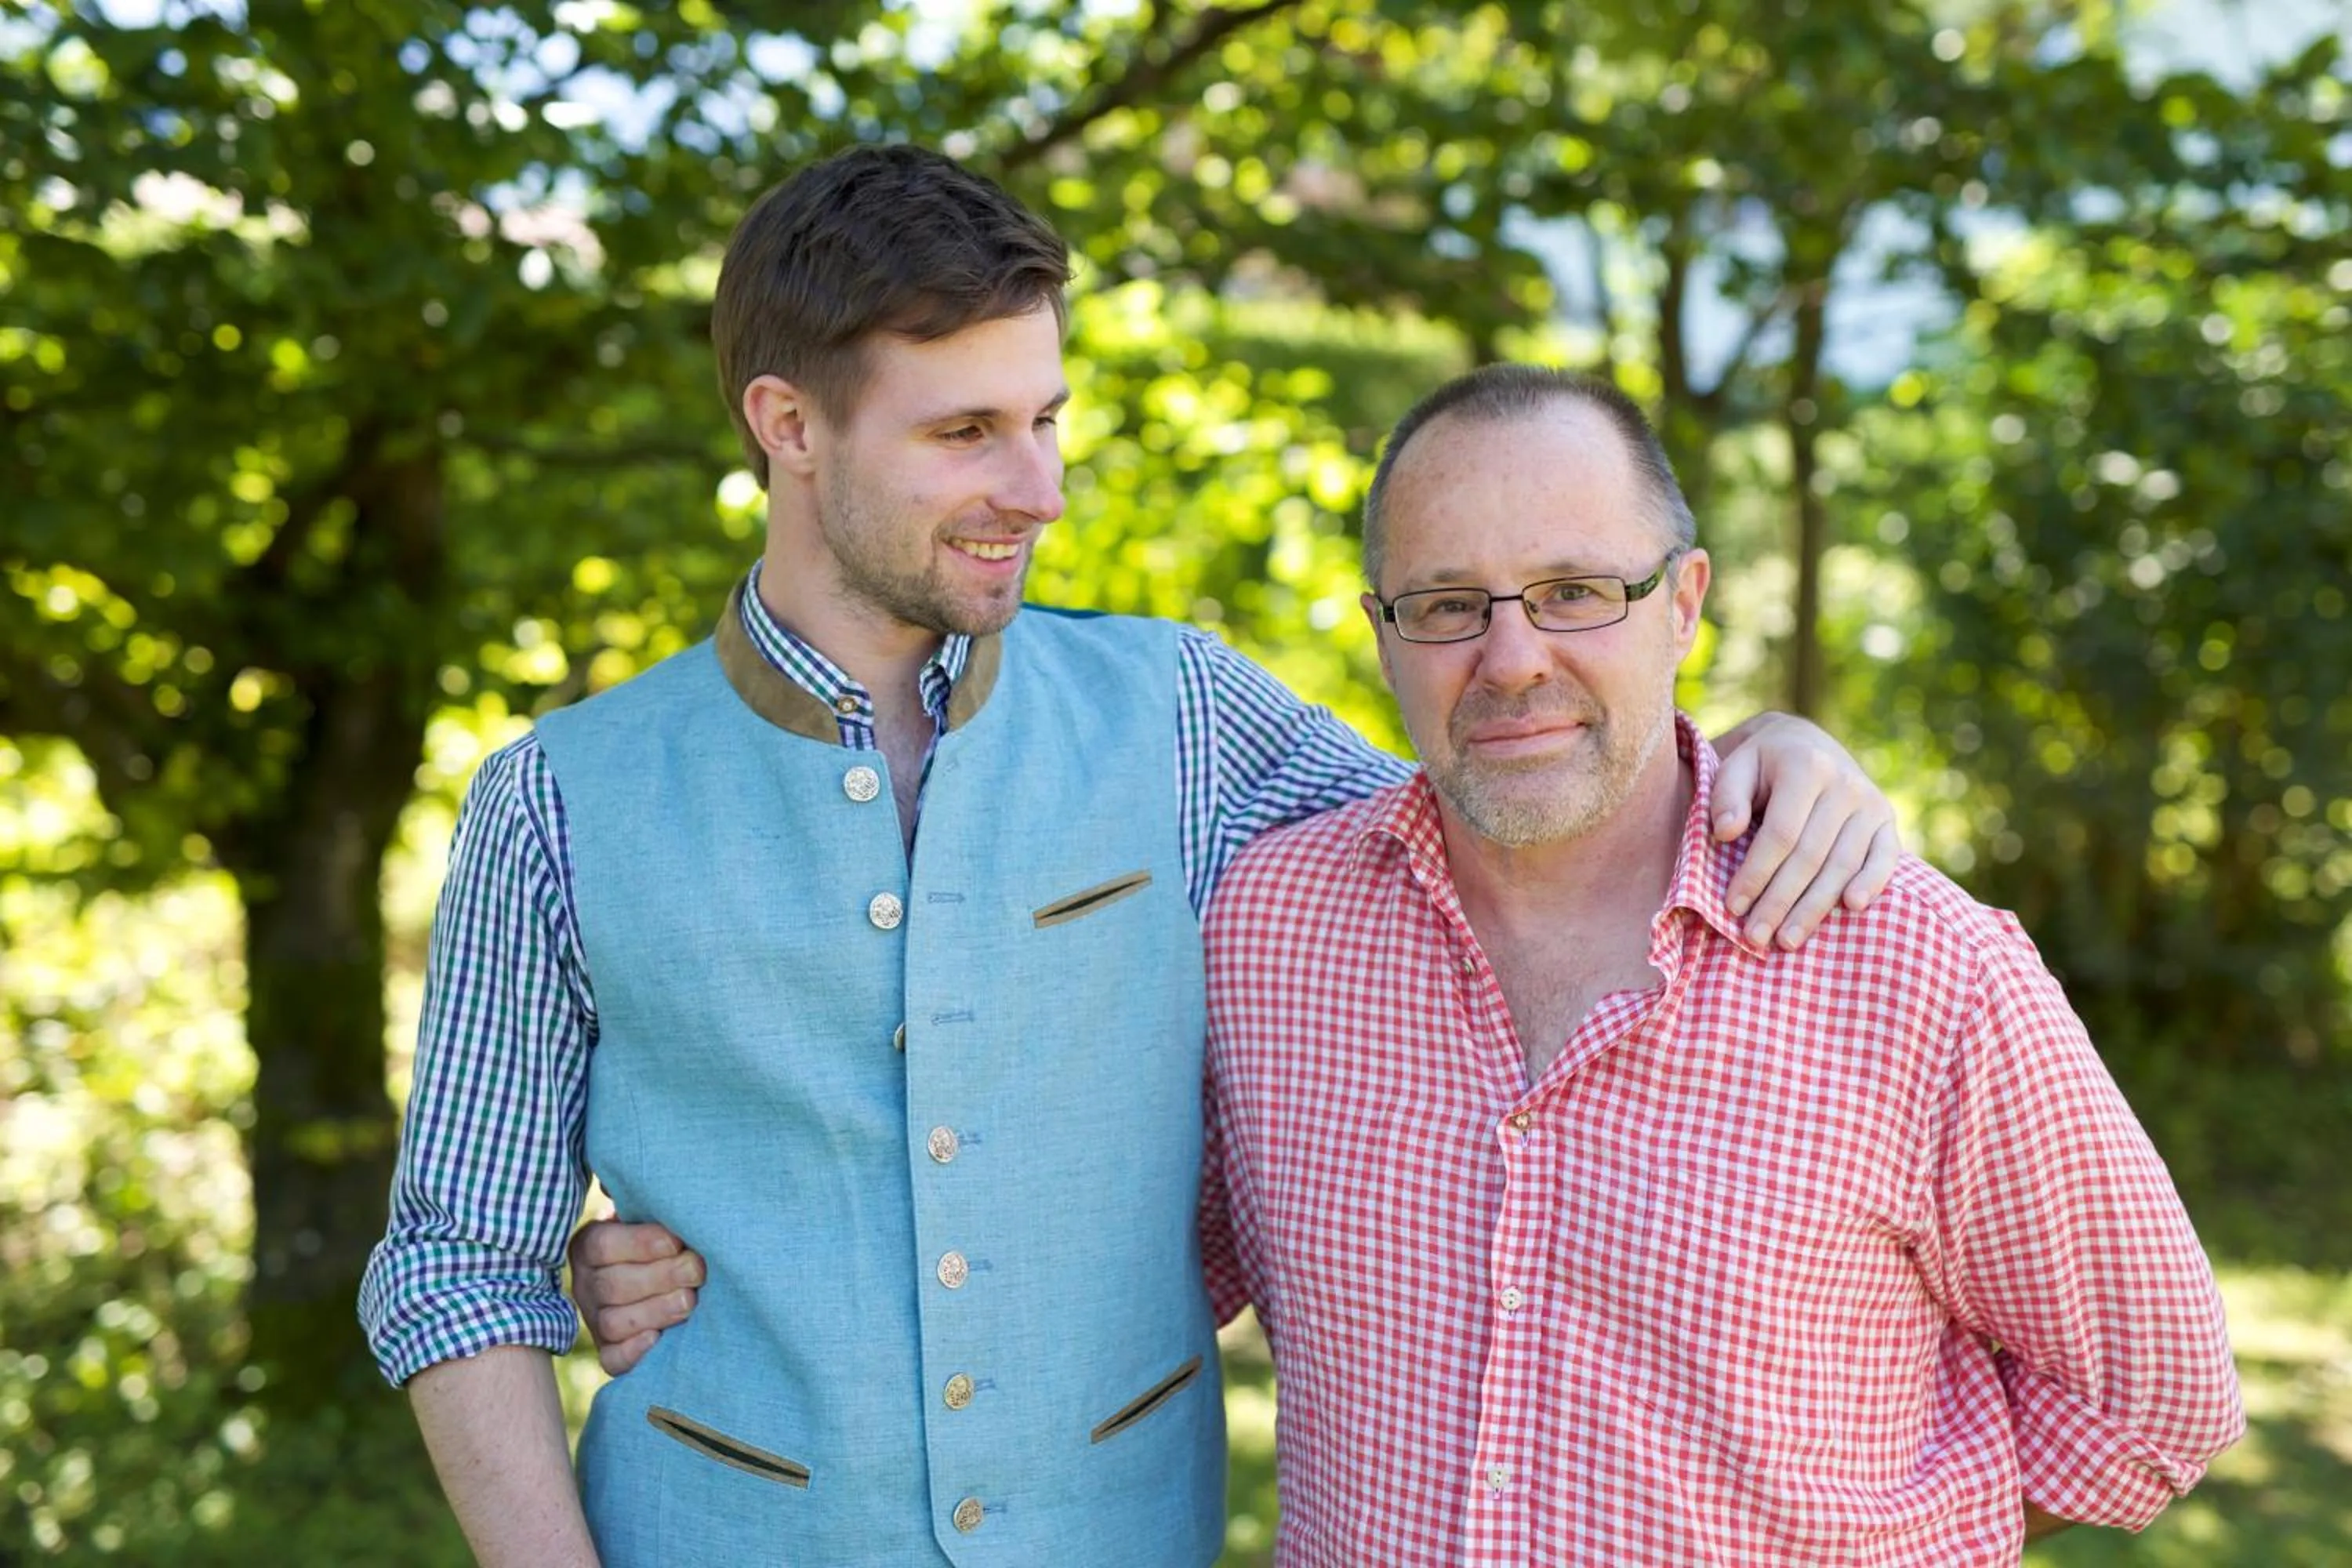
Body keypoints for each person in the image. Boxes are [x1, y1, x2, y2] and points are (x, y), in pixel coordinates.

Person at [361, 144, 1899, 1567]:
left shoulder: (1182, 715)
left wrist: (1755, 755)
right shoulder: (557, 803)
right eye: (966, 431)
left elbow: (1490, 849)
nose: (1038, 490)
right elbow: (452, 1266)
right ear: (788, 427)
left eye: (1046, 419)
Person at [1191, 366, 2242, 1561]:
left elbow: (2155, 1399)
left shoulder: (1915, 967)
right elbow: (1152, 1281)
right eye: (1445, 605)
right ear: (1383, 631)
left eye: (1576, 591)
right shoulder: (1265, 931)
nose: (1512, 658)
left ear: (1684, 602)